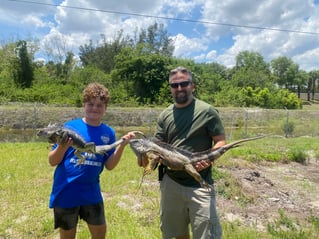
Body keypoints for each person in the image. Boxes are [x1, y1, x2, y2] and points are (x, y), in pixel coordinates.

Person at [48, 82, 136, 239]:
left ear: (105, 108)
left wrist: (121, 146)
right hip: (66, 191)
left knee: (100, 232)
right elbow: (52, 161)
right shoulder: (70, 127)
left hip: (91, 192)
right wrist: (62, 147)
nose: (94, 108)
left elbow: (109, 165)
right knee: (67, 235)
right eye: (90, 104)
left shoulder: (108, 132)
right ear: (84, 104)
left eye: (99, 105)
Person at [154, 66, 226, 239]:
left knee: (206, 234)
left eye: (184, 83)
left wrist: (208, 160)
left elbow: (220, 141)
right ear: (170, 88)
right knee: (177, 233)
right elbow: (157, 145)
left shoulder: (207, 111)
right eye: (174, 85)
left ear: (192, 85)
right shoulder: (165, 115)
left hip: (200, 184)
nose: (179, 88)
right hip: (171, 182)